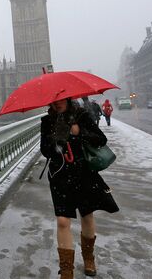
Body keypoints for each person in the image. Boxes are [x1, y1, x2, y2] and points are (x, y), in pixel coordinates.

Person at [40, 98, 119, 278]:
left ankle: (88, 258)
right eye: (53, 101)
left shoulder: (82, 116)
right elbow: (45, 150)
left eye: (60, 100)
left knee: (87, 215)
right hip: (60, 176)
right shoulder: (47, 121)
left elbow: (101, 139)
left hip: (84, 173)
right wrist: (57, 141)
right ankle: (67, 270)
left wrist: (79, 133)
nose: (57, 103)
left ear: (67, 99)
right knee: (62, 221)